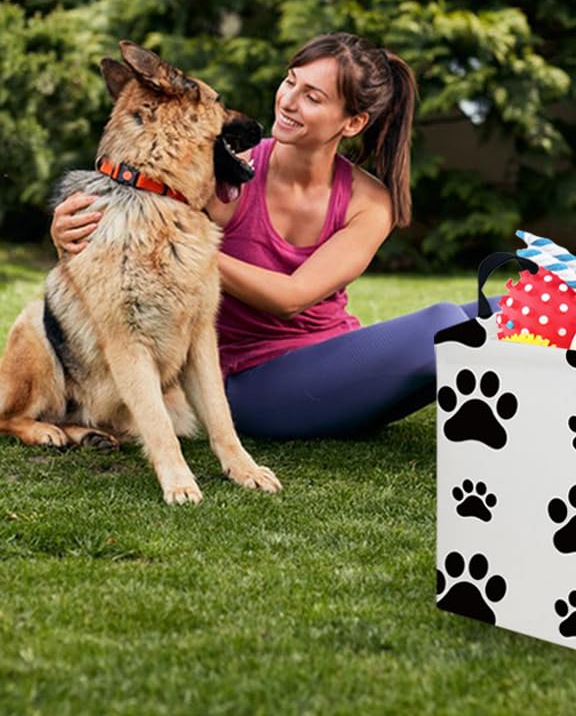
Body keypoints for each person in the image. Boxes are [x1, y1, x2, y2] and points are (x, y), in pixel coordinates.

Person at [51, 32, 486, 439]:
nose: (288, 101)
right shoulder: (224, 171)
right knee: (446, 325)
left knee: (514, 305)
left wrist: (186, 244)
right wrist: (67, 232)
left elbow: (294, 294)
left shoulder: (369, 202)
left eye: (312, 97)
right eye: (290, 82)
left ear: (352, 123)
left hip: (340, 368)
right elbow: (134, 226)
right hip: (245, 381)